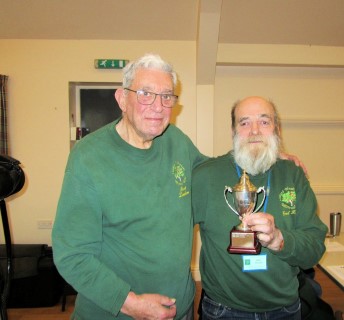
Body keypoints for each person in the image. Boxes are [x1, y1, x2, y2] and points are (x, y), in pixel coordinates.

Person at [52, 53, 207, 320]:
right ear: (122, 99)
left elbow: (213, 176)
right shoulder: (88, 157)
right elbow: (72, 254)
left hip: (179, 310)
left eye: (167, 96)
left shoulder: (176, 141)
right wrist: (131, 304)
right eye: (146, 93)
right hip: (118, 313)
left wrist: (262, 157)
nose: (158, 106)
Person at [191, 96, 328, 320]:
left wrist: (279, 240)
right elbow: (170, 230)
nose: (254, 130)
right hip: (223, 310)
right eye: (244, 123)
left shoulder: (293, 175)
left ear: (277, 129)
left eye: (264, 122)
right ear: (233, 131)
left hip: (285, 310)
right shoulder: (205, 177)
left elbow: (314, 250)